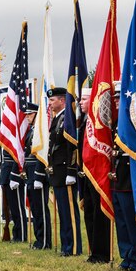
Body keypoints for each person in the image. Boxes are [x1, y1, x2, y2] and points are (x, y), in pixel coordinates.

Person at [111, 82, 136, 271]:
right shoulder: (118, 122)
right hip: (118, 177)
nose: (116, 101)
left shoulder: (134, 121)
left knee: (133, 221)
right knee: (122, 222)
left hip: (130, 176)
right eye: (115, 98)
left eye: (119, 97)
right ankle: (127, 256)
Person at [47, 87, 81, 256]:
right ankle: (66, 245)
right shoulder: (57, 119)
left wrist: (71, 171)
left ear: (62, 100)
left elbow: (72, 146)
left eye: (53, 100)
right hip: (57, 173)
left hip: (65, 171)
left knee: (69, 212)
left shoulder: (68, 118)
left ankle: (73, 246)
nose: (50, 103)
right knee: (63, 212)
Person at [80, 88, 110, 264]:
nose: (81, 102)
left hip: (99, 171)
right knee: (89, 211)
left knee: (99, 214)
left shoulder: (98, 120)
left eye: (84, 99)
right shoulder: (83, 121)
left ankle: (102, 253)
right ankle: (93, 250)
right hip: (87, 172)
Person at [24, 103, 52, 249]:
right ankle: (39, 239)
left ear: (36, 114)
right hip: (30, 175)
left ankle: (45, 241)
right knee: (35, 209)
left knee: (41, 209)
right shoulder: (31, 131)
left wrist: (39, 176)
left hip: (37, 174)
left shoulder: (40, 131)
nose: (27, 117)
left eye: (30, 114)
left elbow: (41, 154)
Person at [0, 139, 27, 243]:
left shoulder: (17, 134)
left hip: (14, 176)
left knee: (17, 209)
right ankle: (16, 234)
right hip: (6, 175)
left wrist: (14, 176)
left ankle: (21, 235)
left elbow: (19, 157)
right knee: (11, 209)